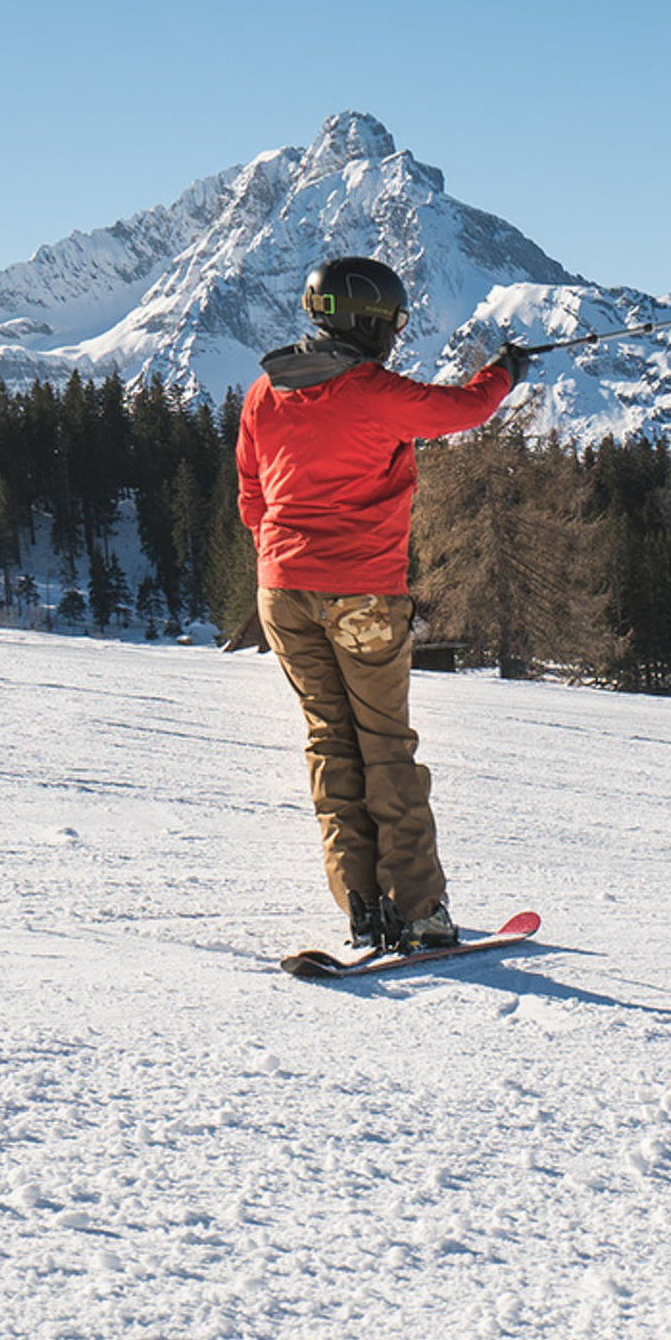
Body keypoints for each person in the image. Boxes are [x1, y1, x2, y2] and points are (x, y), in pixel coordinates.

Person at [235, 255, 530, 953]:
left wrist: (287, 559)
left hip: (281, 592)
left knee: (329, 744)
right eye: (394, 324)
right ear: (370, 326)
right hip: (361, 593)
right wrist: (508, 370)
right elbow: (466, 408)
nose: (397, 337)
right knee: (385, 748)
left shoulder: (263, 392)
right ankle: (421, 911)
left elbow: (252, 494)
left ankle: (362, 906)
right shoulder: (372, 391)